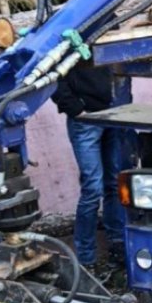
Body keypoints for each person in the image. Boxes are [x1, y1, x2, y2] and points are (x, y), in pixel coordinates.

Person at [51, 63, 125, 272]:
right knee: (93, 189)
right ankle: (85, 260)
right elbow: (53, 79)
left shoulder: (104, 34)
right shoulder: (65, 37)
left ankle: (117, 247)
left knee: (114, 184)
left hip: (114, 114)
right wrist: (76, 108)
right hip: (85, 119)